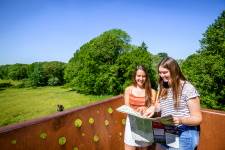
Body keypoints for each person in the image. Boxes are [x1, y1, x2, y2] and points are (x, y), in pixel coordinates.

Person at [156, 57, 202, 150]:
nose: (162, 76)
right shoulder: (163, 87)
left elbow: (198, 119)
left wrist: (180, 120)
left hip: (183, 133)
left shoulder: (187, 88)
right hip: (166, 131)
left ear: (174, 71)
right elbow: (159, 108)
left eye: (165, 72)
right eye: (160, 72)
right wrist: (151, 109)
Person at [124, 65, 156, 150]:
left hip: (144, 124)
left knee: (144, 149)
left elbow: (153, 108)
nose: (141, 79)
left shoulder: (152, 91)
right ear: (135, 76)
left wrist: (146, 108)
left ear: (146, 77)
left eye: (143, 76)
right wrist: (135, 111)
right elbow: (127, 107)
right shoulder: (128, 90)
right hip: (131, 122)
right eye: (138, 76)